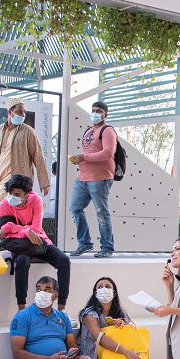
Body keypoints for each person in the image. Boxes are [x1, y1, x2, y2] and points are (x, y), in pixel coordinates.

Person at [0, 99, 51, 236]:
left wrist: (44, 182)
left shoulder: (28, 131)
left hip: (18, 181)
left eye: (23, 112)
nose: (22, 115)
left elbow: (38, 156)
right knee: (3, 213)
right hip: (2, 180)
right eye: (19, 111)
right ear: (10, 112)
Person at [0, 173, 71, 311]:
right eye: (11, 193)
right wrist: (26, 231)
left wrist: (17, 229)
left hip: (38, 241)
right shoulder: (4, 205)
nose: (12, 197)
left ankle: (62, 308)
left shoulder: (35, 200)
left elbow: (36, 229)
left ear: (26, 194)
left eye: (17, 194)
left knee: (64, 260)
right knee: (22, 261)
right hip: (19, 244)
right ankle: (21, 309)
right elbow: (6, 231)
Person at [68, 101, 117, 258]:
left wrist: (84, 157)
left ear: (105, 114)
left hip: (100, 178)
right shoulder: (88, 130)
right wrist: (79, 160)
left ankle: (107, 247)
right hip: (82, 178)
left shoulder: (107, 130)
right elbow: (89, 152)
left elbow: (108, 153)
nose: (95, 113)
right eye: (93, 110)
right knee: (75, 208)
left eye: (99, 111)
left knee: (101, 213)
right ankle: (85, 243)